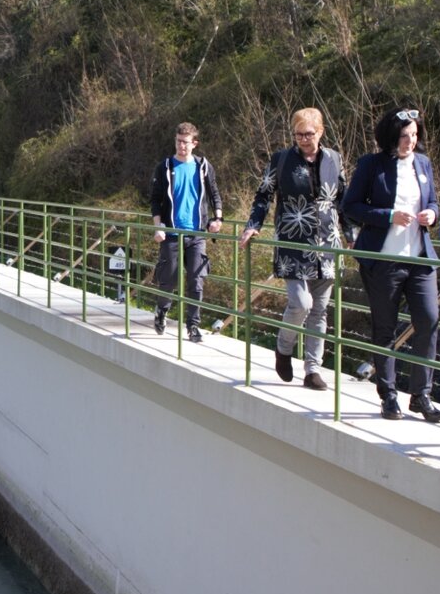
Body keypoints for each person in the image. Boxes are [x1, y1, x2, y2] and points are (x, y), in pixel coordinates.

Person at [342, 107, 440, 423]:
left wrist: (433, 214)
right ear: (390, 136)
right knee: (385, 328)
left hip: (420, 259)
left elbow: (433, 201)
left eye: (414, 136)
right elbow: (350, 207)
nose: (410, 142)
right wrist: (387, 215)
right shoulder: (371, 165)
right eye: (403, 136)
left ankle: (421, 395)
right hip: (384, 260)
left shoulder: (423, 163)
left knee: (428, 319)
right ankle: (388, 395)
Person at [241, 108, 347, 391]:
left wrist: (355, 235)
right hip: (292, 243)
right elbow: (263, 195)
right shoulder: (281, 160)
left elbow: (343, 201)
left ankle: (313, 369)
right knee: (301, 303)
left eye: (308, 134)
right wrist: (253, 226)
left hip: (327, 245)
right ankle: (284, 347)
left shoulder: (334, 159)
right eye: (298, 134)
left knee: (320, 310)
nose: (303, 139)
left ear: (320, 132)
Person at [148, 122, 224, 341]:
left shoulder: (203, 166)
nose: (181, 146)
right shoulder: (164, 167)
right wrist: (158, 227)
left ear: (194, 143)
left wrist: (217, 218)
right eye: (178, 141)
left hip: (196, 233)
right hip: (171, 233)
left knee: (196, 280)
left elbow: (215, 194)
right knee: (168, 279)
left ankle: (193, 325)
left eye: (185, 142)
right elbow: (155, 200)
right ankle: (162, 311)